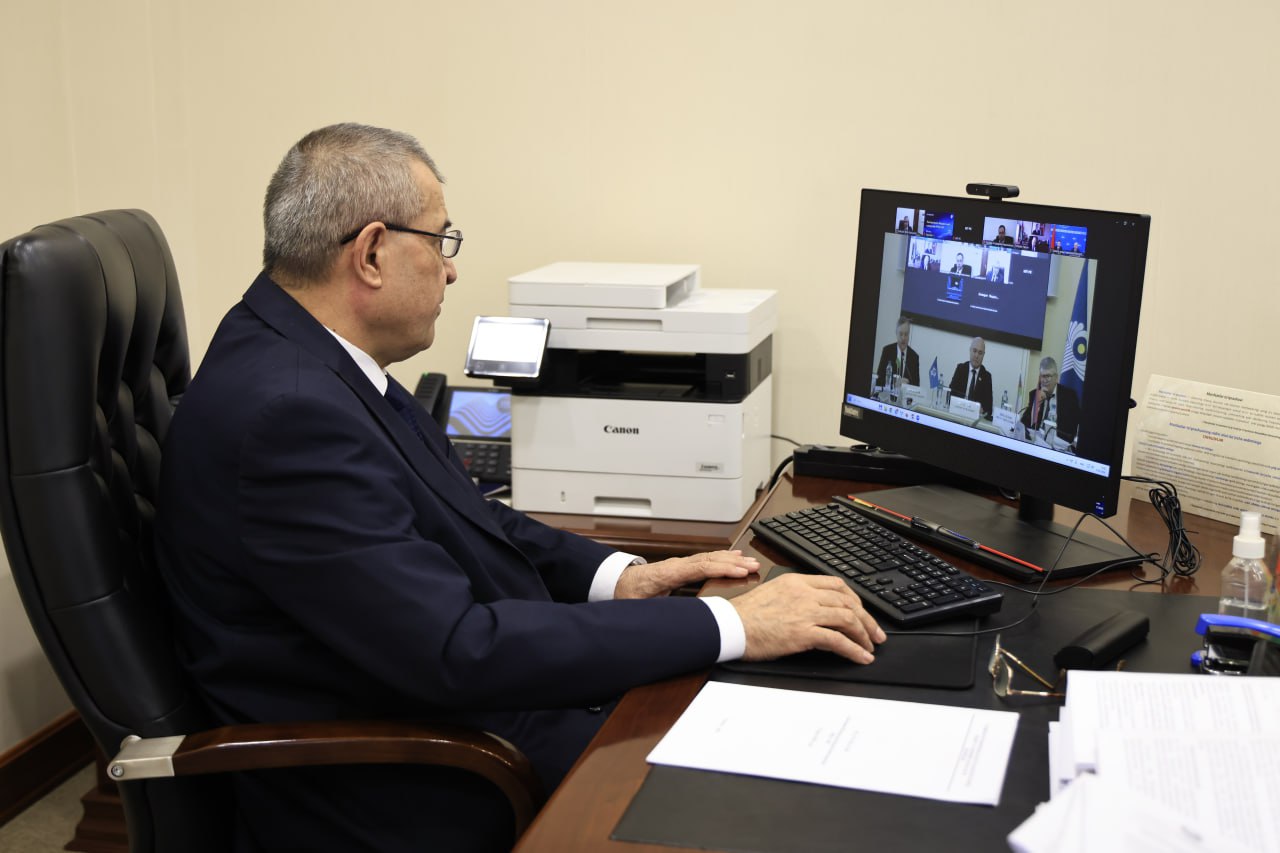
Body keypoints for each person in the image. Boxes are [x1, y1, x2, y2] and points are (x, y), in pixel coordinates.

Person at [154, 123, 885, 853]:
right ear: (371, 253)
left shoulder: (308, 355)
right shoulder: (290, 415)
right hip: (415, 777)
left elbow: (472, 518)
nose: (450, 270)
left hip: (453, 714)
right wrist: (732, 625)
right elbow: (457, 649)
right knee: (788, 800)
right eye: (440, 240)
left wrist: (621, 576)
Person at [1020, 356, 1081, 443]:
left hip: (1057, 445)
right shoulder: (1035, 394)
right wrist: (1036, 404)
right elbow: (1023, 425)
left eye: (1048, 376)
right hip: (1036, 442)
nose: (1044, 380)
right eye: (1042, 376)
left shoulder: (1069, 396)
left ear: (1056, 378)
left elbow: (1072, 430)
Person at [948, 337, 993, 419]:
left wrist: (982, 410)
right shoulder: (960, 369)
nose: (976, 356)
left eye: (980, 353)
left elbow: (989, 409)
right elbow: (950, 395)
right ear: (970, 350)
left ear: (983, 355)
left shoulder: (987, 377)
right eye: (974, 351)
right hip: (957, 415)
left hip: (975, 421)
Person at [875, 316, 920, 387]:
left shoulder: (914, 357)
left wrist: (907, 383)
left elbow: (917, 385)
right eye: (901, 334)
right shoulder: (887, 351)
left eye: (906, 334)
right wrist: (894, 383)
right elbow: (879, 380)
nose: (903, 338)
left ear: (909, 335)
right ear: (896, 333)